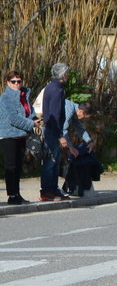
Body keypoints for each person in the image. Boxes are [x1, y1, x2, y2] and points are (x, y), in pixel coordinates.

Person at [1, 70, 39, 205]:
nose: (16, 84)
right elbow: (13, 118)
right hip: (8, 134)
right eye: (13, 81)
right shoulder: (6, 98)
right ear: (8, 83)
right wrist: (31, 123)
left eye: (19, 81)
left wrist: (36, 119)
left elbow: (30, 111)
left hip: (21, 134)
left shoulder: (24, 95)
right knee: (11, 165)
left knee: (18, 166)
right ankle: (12, 195)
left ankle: (17, 194)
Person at [39, 62, 69, 201]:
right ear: (63, 75)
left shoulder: (50, 87)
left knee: (55, 161)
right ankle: (46, 190)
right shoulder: (57, 91)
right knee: (51, 161)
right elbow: (55, 115)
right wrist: (60, 136)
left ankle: (53, 188)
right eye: (67, 73)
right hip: (52, 130)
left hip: (50, 128)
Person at [61, 100, 101, 197]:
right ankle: (51, 190)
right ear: (81, 111)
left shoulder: (76, 112)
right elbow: (63, 130)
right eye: (84, 117)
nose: (82, 120)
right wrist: (71, 148)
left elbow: (80, 129)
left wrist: (89, 142)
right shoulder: (69, 110)